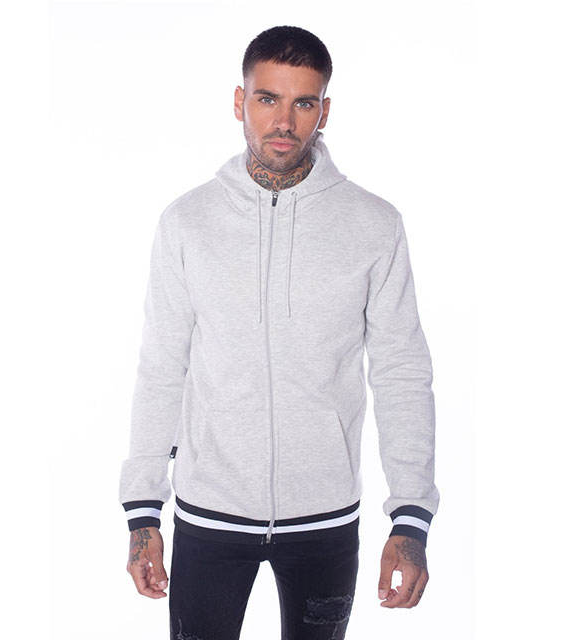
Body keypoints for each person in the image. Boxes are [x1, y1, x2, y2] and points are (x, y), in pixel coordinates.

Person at [119, 25, 440, 639]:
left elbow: (401, 371)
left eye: (304, 102)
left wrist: (411, 515)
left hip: (325, 520)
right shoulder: (188, 222)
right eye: (268, 99)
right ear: (240, 102)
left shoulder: (373, 225)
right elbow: (162, 367)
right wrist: (143, 511)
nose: (284, 121)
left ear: (325, 110)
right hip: (209, 515)